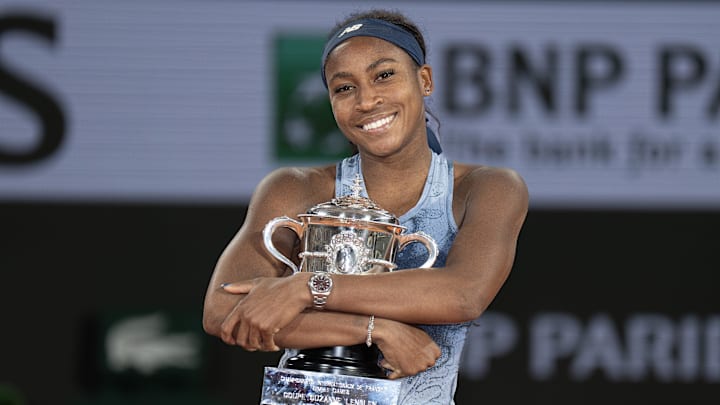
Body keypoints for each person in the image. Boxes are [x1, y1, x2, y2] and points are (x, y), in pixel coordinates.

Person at [202, 8, 528, 404]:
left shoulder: (486, 187)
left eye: (384, 75)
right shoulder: (295, 188)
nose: (367, 100)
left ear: (424, 80)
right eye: (344, 88)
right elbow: (223, 311)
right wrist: (376, 329)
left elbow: (462, 295)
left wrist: (305, 288)